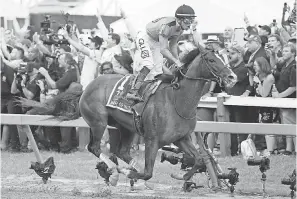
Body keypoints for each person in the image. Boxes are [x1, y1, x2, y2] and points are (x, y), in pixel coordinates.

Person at [124, 4, 197, 101]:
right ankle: (132, 92)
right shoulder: (167, 26)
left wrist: (178, 61)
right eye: (188, 20)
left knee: (157, 71)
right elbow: (163, 50)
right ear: (179, 19)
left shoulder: (180, 29)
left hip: (156, 41)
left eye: (192, 20)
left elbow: (173, 45)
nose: (190, 24)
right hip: (145, 38)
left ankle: (149, 96)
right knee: (149, 65)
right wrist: (176, 61)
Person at [272, 44, 296, 155]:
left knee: (293, 125)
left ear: (293, 53)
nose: (284, 53)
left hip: (292, 100)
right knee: (288, 125)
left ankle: (294, 149)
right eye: (283, 51)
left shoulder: (294, 66)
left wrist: (279, 96)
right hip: (285, 101)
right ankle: (288, 149)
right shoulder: (285, 65)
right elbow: (273, 66)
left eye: (286, 51)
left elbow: (294, 87)